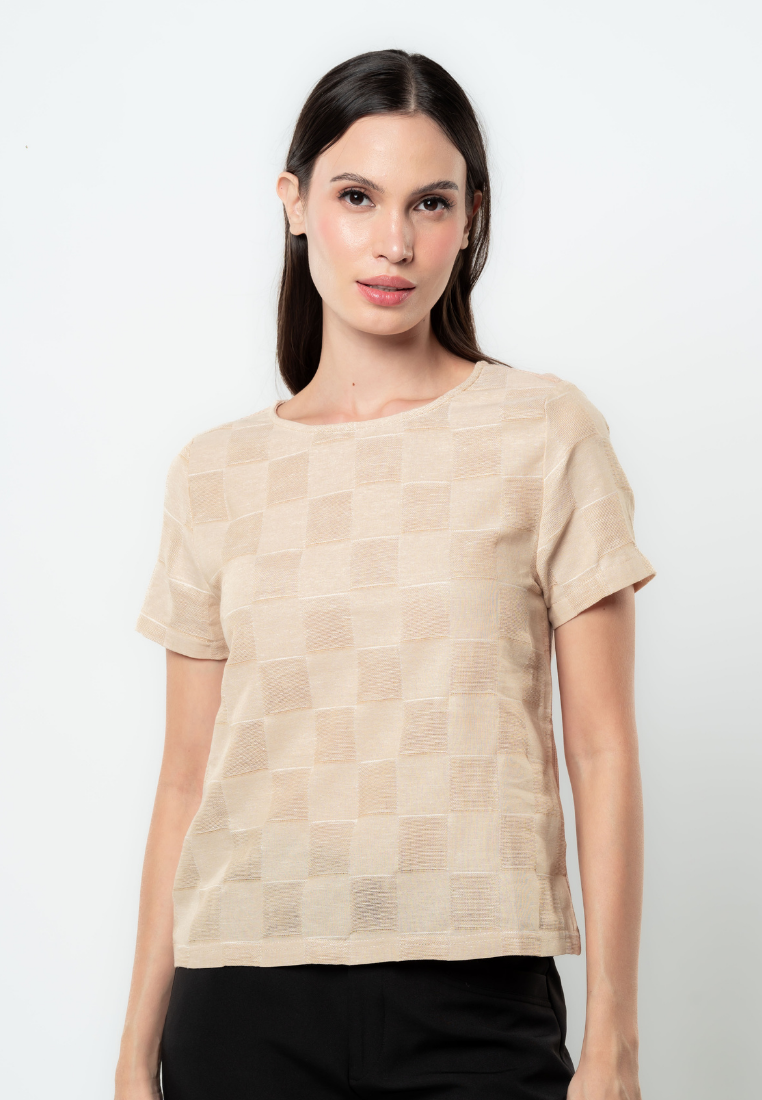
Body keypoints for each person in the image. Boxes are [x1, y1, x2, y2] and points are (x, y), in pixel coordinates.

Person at [115, 49, 654, 1100]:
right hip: (240, 1003)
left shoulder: (546, 433)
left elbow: (602, 747)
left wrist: (614, 1044)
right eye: (357, 197)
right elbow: (185, 777)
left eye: (431, 203)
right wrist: (135, 1056)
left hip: (477, 1001)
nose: (394, 242)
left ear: (471, 217)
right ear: (296, 202)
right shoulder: (214, 474)